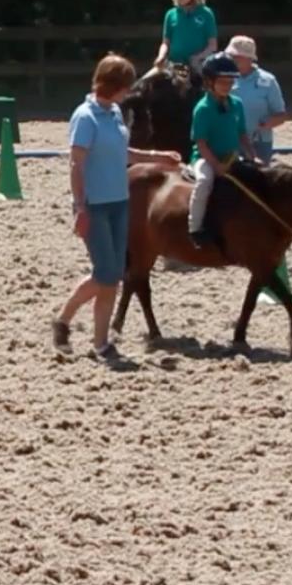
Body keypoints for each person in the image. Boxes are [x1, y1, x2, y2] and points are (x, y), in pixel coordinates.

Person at [52, 54, 181, 359]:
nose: (129, 91)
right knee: (105, 274)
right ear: (114, 85)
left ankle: (100, 342)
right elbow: (77, 165)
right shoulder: (85, 117)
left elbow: (125, 153)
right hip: (94, 205)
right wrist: (80, 207)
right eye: (125, 85)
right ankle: (63, 319)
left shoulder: (114, 114)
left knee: (114, 276)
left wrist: (158, 158)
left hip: (119, 202)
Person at [188, 52, 260, 248]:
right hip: (205, 158)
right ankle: (195, 228)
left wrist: (253, 156)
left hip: (231, 156)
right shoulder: (202, 109)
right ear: (209, 82)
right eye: (222, 82)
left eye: (230, 82)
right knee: (204, 182)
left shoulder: (237, 104)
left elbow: (242, 134)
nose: (227, 86)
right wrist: (215, 165)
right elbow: (201, 143)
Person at [226, 35, 288, 165]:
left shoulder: (268, 81)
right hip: (229, 140)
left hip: (259, 142)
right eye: (231, 56)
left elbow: (281, 115)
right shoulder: (224, 78)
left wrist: (266, 123)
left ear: (249, 58)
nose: (232, 59)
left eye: (237, 56)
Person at [152, 0, 218, 88]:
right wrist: (161, 56)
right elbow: (166, 42)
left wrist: (198, 57)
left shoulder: (206, 14)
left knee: (209, 87)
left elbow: (212, 45)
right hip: (172, 64)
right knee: (144, 83)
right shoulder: (170, 14)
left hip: (197, 63)